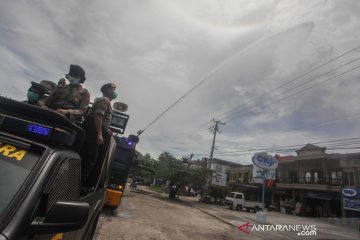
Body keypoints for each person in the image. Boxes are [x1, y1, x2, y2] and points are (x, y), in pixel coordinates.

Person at [81, 83, 117, 188]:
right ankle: (82, 186)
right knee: (89, 159)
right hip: (93, 131)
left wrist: (107, 129)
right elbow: (98, 116)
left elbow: (103, 118)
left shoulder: (105, 101)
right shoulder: (104, 100)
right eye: (113, 89)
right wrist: (100, 133)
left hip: (94, 129)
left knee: (92, 158)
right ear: (106, 90)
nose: (115, 92)